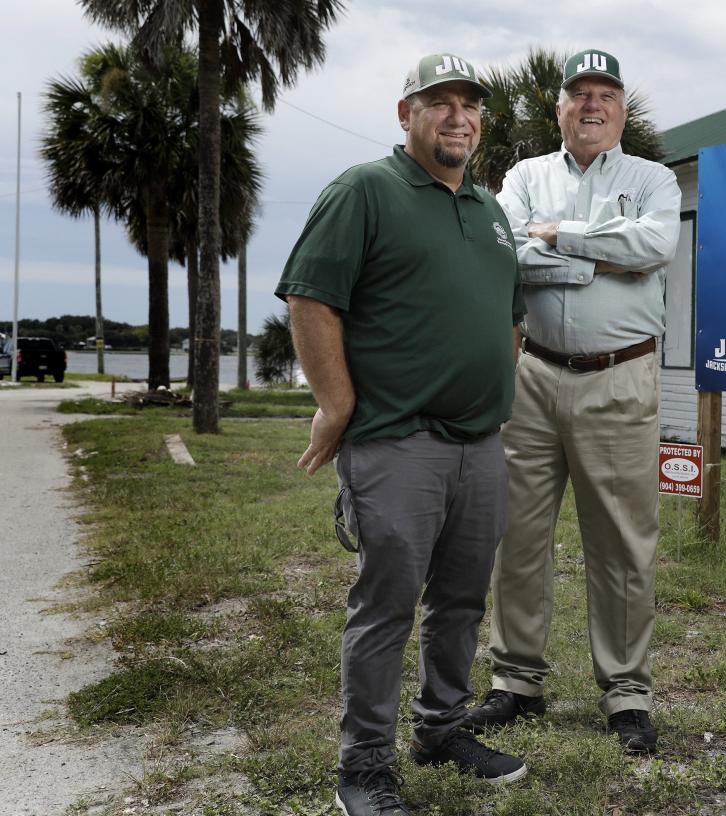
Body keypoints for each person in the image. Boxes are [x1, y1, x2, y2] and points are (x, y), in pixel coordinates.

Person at [276, 52, 528, 816]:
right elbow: (312, 300)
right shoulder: (366, 191)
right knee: (387, 604)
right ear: (405, 113)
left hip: (479, 444)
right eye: (440, 102)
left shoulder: (487, 207)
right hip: (396, 442)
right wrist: (338, 402)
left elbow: (508, 316)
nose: (458, 117)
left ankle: (441, 728)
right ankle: (363, 763)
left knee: (460, 601)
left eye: (470, 105)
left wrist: (490, 379)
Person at [466, 49, 681, 754]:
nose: (591, 105)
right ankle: (516, 681)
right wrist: (599, 259)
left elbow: (656, 244)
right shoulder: (525, 175)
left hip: (620, 376)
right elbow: (504, 252)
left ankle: (625, 694)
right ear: (556, 108)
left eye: (605, 95)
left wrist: (557, 234)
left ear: (621, 110)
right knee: (517, 533)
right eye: (578, 94)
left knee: (621, 542)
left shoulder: (651, 178)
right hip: (532, 374)